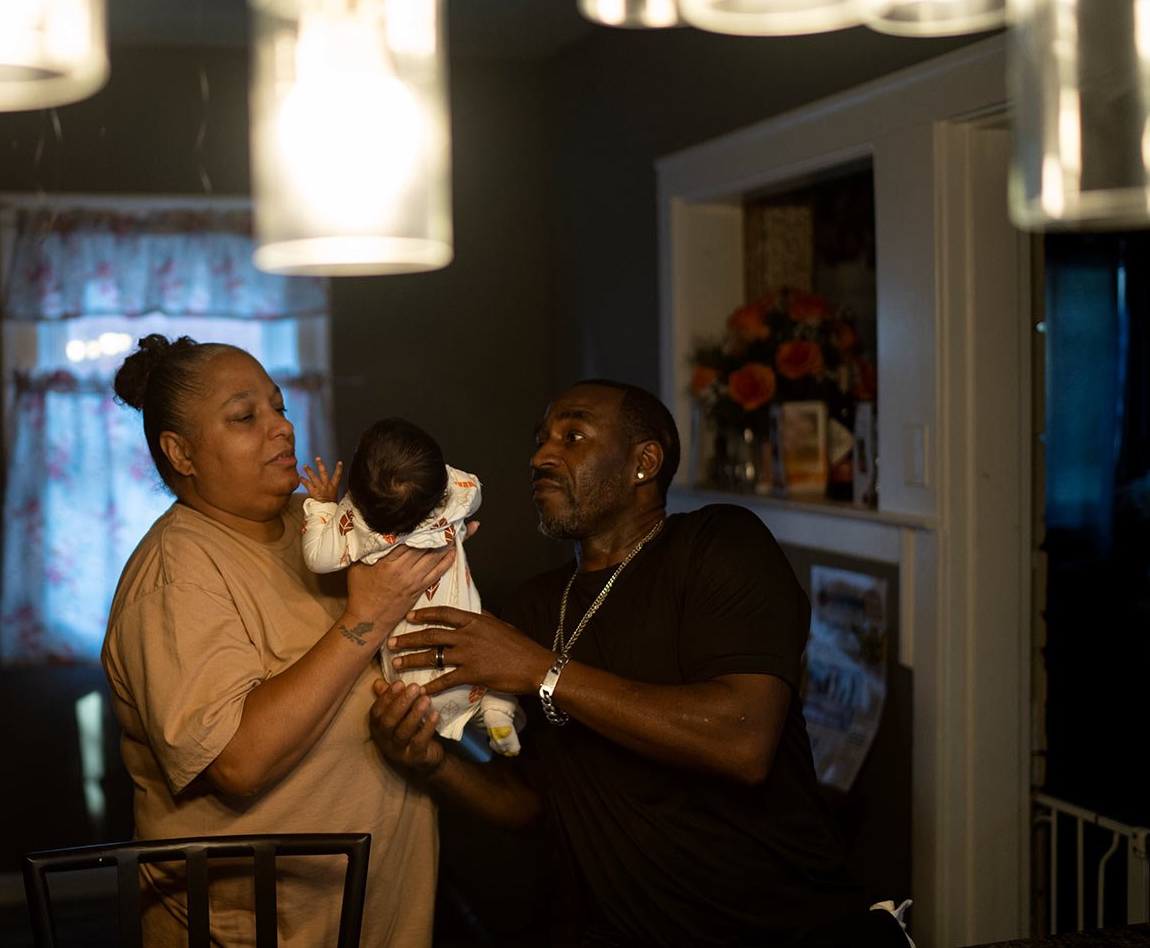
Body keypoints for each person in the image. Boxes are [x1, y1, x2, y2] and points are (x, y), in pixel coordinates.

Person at [368, 379, 915, 948]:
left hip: (782, 928)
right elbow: (530, 802)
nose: (541, 456)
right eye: (540, 439)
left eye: (573, 435)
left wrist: (543, 672)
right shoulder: (535, 605)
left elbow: (744, 739)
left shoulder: (717, 543)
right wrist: (430, 761)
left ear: (643, 462)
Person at [99, 334, 458, 948]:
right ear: (180, 452)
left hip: (378, 912)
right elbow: (236, 761)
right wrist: (363, 618)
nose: (281, 430)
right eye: (246, 417)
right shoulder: (176, 572)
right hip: (257, 930)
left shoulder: (319, 526)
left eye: (280, 407)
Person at [299, 416, 524, 757]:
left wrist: (324, 506)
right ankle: (497, 709)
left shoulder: (357, 527)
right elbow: (474, 488)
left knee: (427, 703)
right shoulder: (454, 500)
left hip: (416, 681)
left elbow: (317, 557)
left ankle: (491, 713)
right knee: (493, 681)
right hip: (472, 649)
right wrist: (431, 480)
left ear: (356, 492)